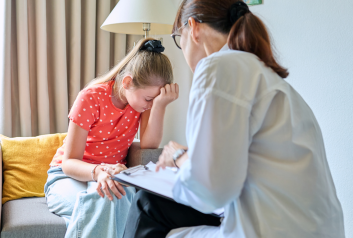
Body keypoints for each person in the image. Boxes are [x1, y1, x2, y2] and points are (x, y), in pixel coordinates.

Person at [122, 1, 345, 238]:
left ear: (193, 27)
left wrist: (179, 156)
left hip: (274, 229)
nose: (183, 48)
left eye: (179, 39)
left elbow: (211, 191)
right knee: (154, 203)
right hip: (315, 228)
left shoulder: (218, 67)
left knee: (146, 203)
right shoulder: (266, 77)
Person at [44, 38, 179, 238]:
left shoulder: (141, 105)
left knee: (114, 198)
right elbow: (69, 163)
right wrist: (98, 172)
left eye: (154, 100)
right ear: (127, 82)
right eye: (149, 99)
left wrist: (160, 105)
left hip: (111, 175)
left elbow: (150, 145)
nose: (150, 104)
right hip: (68, 176)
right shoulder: (90, 98)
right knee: (100, 201)